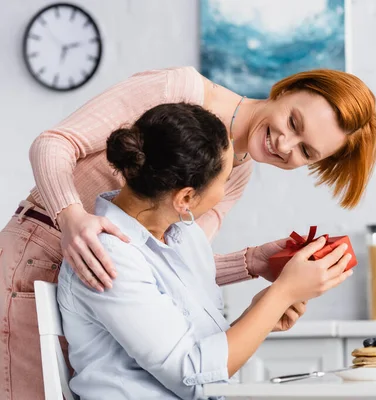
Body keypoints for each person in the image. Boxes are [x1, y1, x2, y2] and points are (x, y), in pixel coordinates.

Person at [0, 66, 376, 398]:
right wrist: (71, 218)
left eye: (306, 152)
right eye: (294, 123)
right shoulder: (177, 88)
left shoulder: (236, 174)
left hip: (109, 281)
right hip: (40, 252)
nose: (285, 145)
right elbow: (54, 143)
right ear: (285, 89)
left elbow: (171, 266)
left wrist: (253, 264)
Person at [57, 102, 353, 399]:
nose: (224, 191)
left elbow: (197, 356)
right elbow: (193, 378)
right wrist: (282, 294)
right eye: (224, 180)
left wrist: (261, 314)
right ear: (185, 198)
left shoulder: (185, 237)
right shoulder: (107, 254)